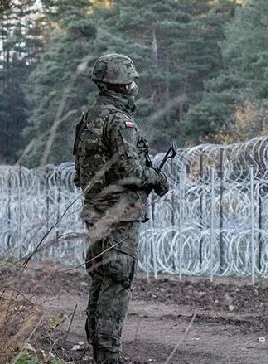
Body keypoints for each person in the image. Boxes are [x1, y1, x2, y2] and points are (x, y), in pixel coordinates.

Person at [73, 53, 169, 364]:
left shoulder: (88, 119)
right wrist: (157, 178)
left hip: (95, 213)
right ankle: (108, 355)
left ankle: (99, 348)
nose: (136, 85)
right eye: (132, 80)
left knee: (102, 278)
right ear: (121, 83)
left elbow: (81, 173)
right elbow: (132, 173)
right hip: (119, 216)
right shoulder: (120, 122)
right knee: (116, 281)